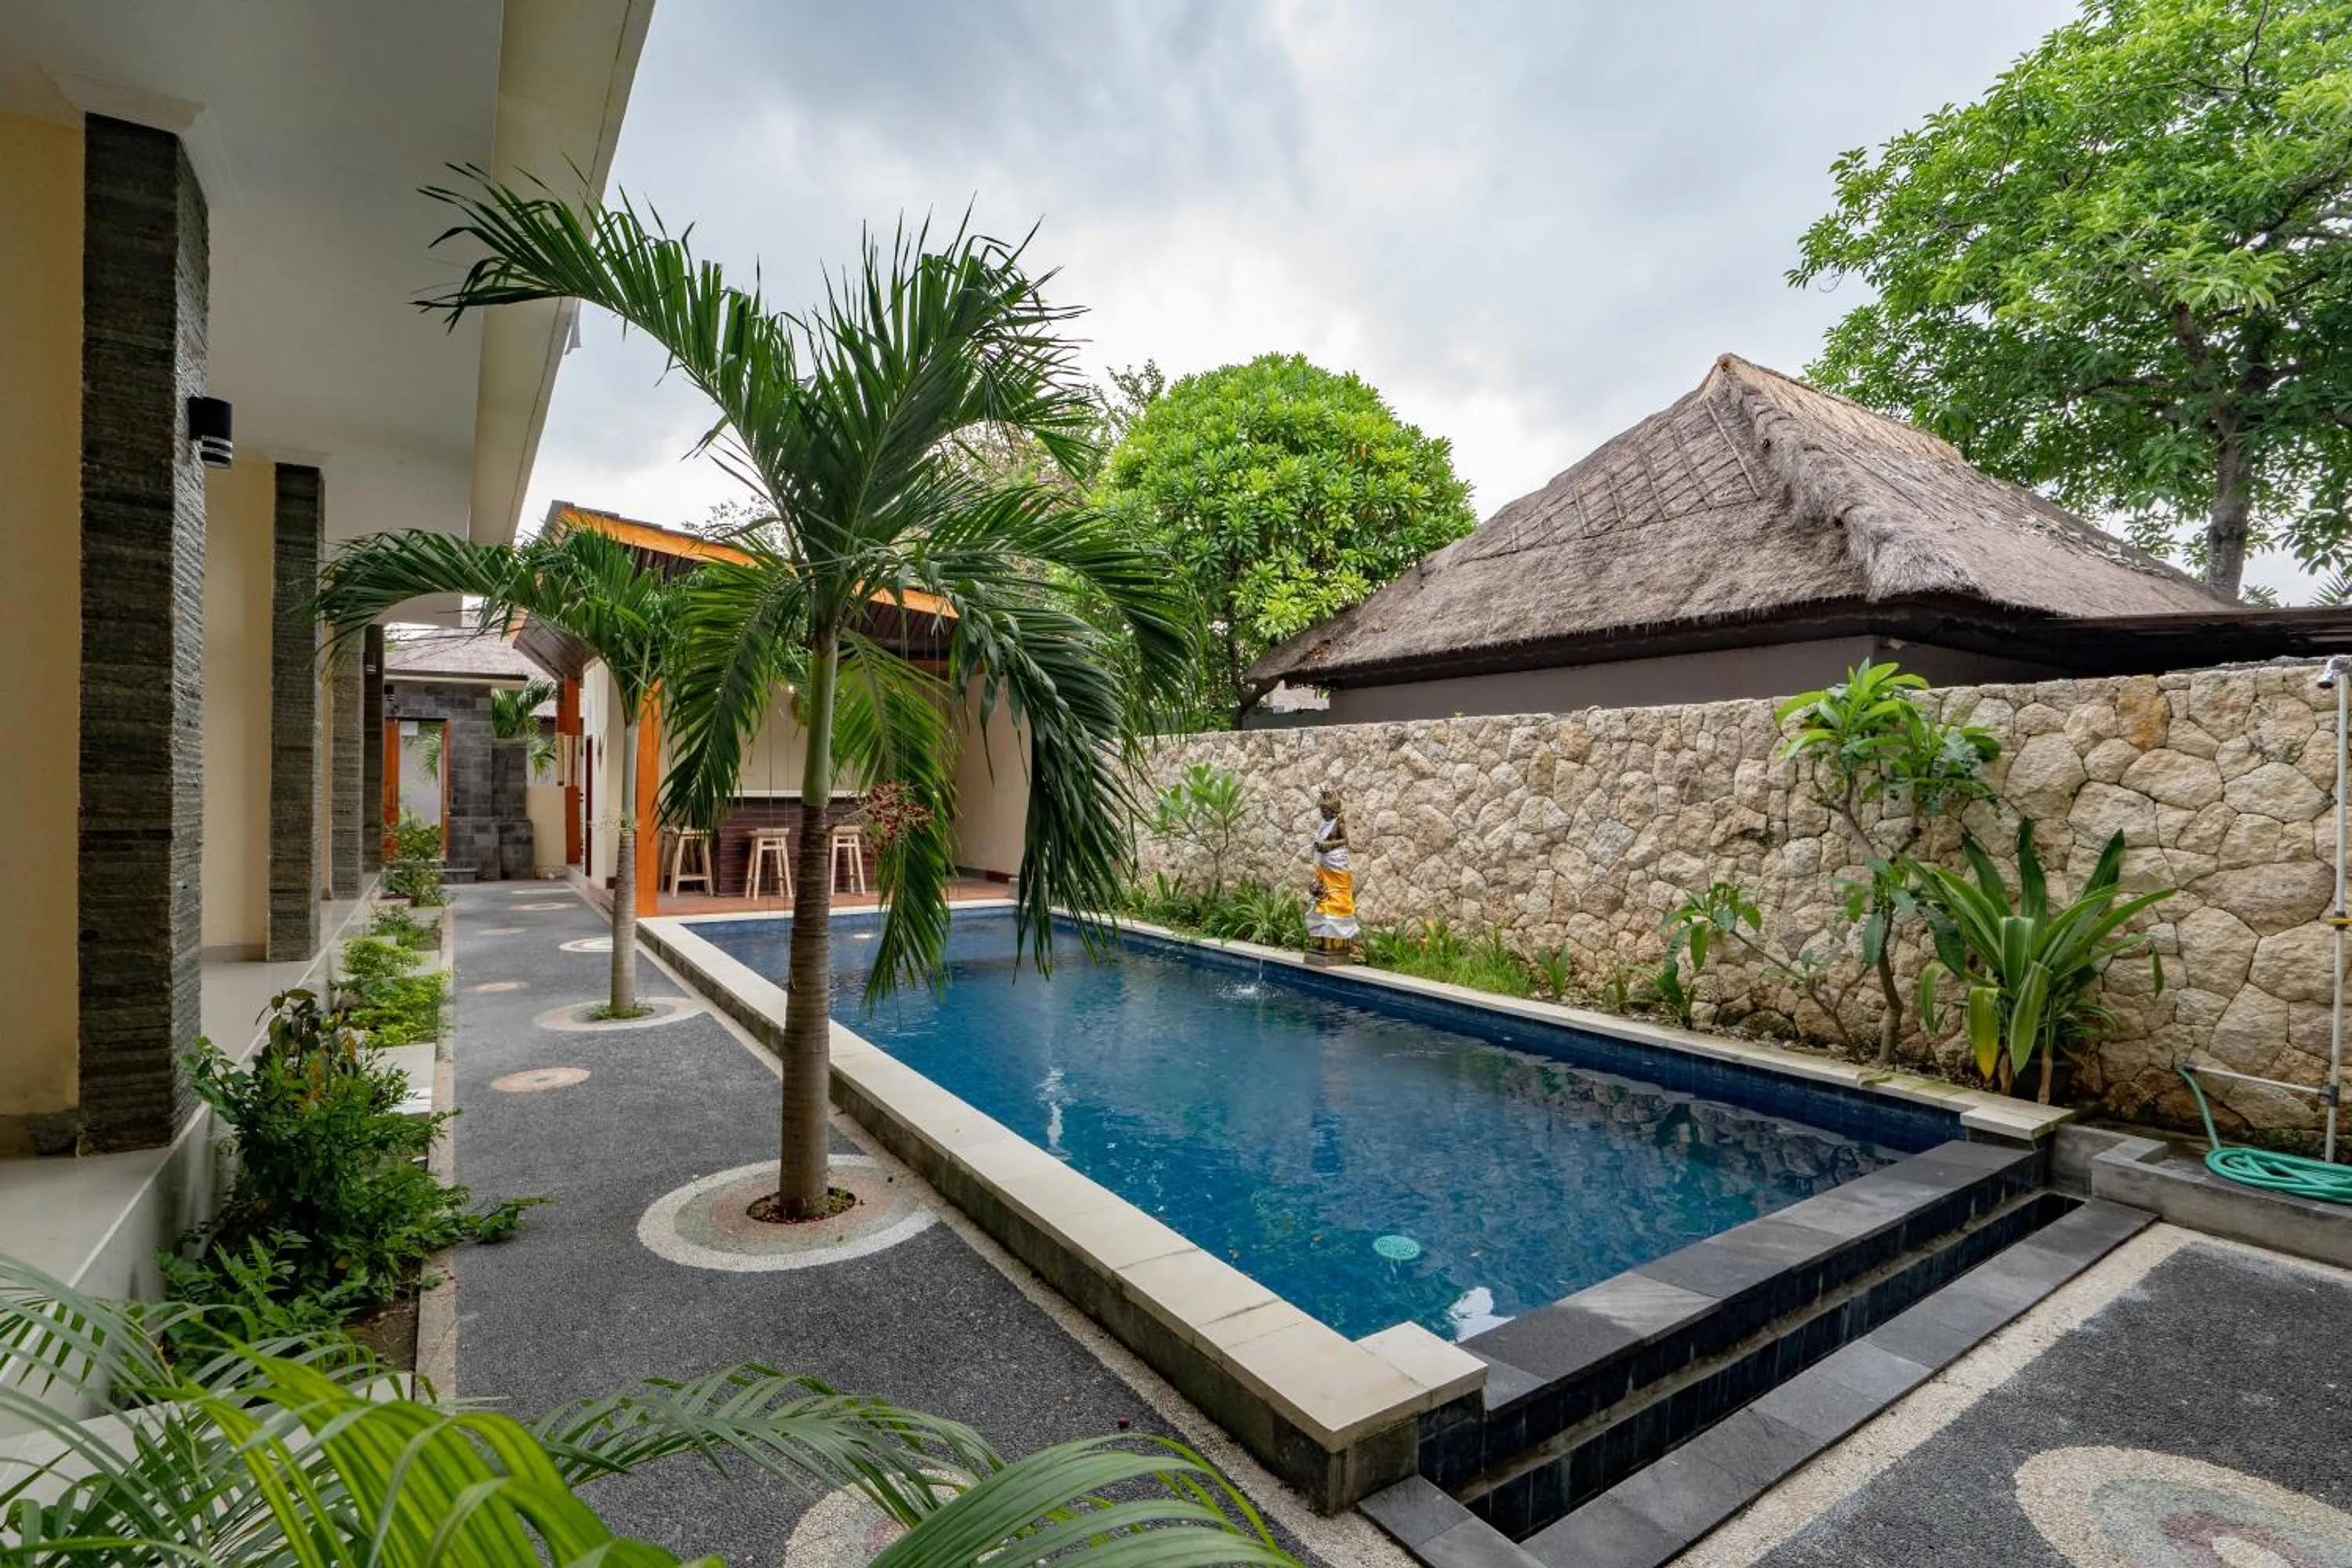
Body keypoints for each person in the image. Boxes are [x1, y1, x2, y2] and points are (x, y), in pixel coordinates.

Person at [1307, 787, 1360, 960]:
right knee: (1322, 896)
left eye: (1327, 811)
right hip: (1326, 862)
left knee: (1339, 895)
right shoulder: (1324, 824)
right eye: (1322, 811)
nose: (1324, 814)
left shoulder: (1339, 822)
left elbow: (1346, 841)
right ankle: (1322, 937)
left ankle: (1341, 938)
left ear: (1334, 810)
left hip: (1337, 862)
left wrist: (1329, 846)